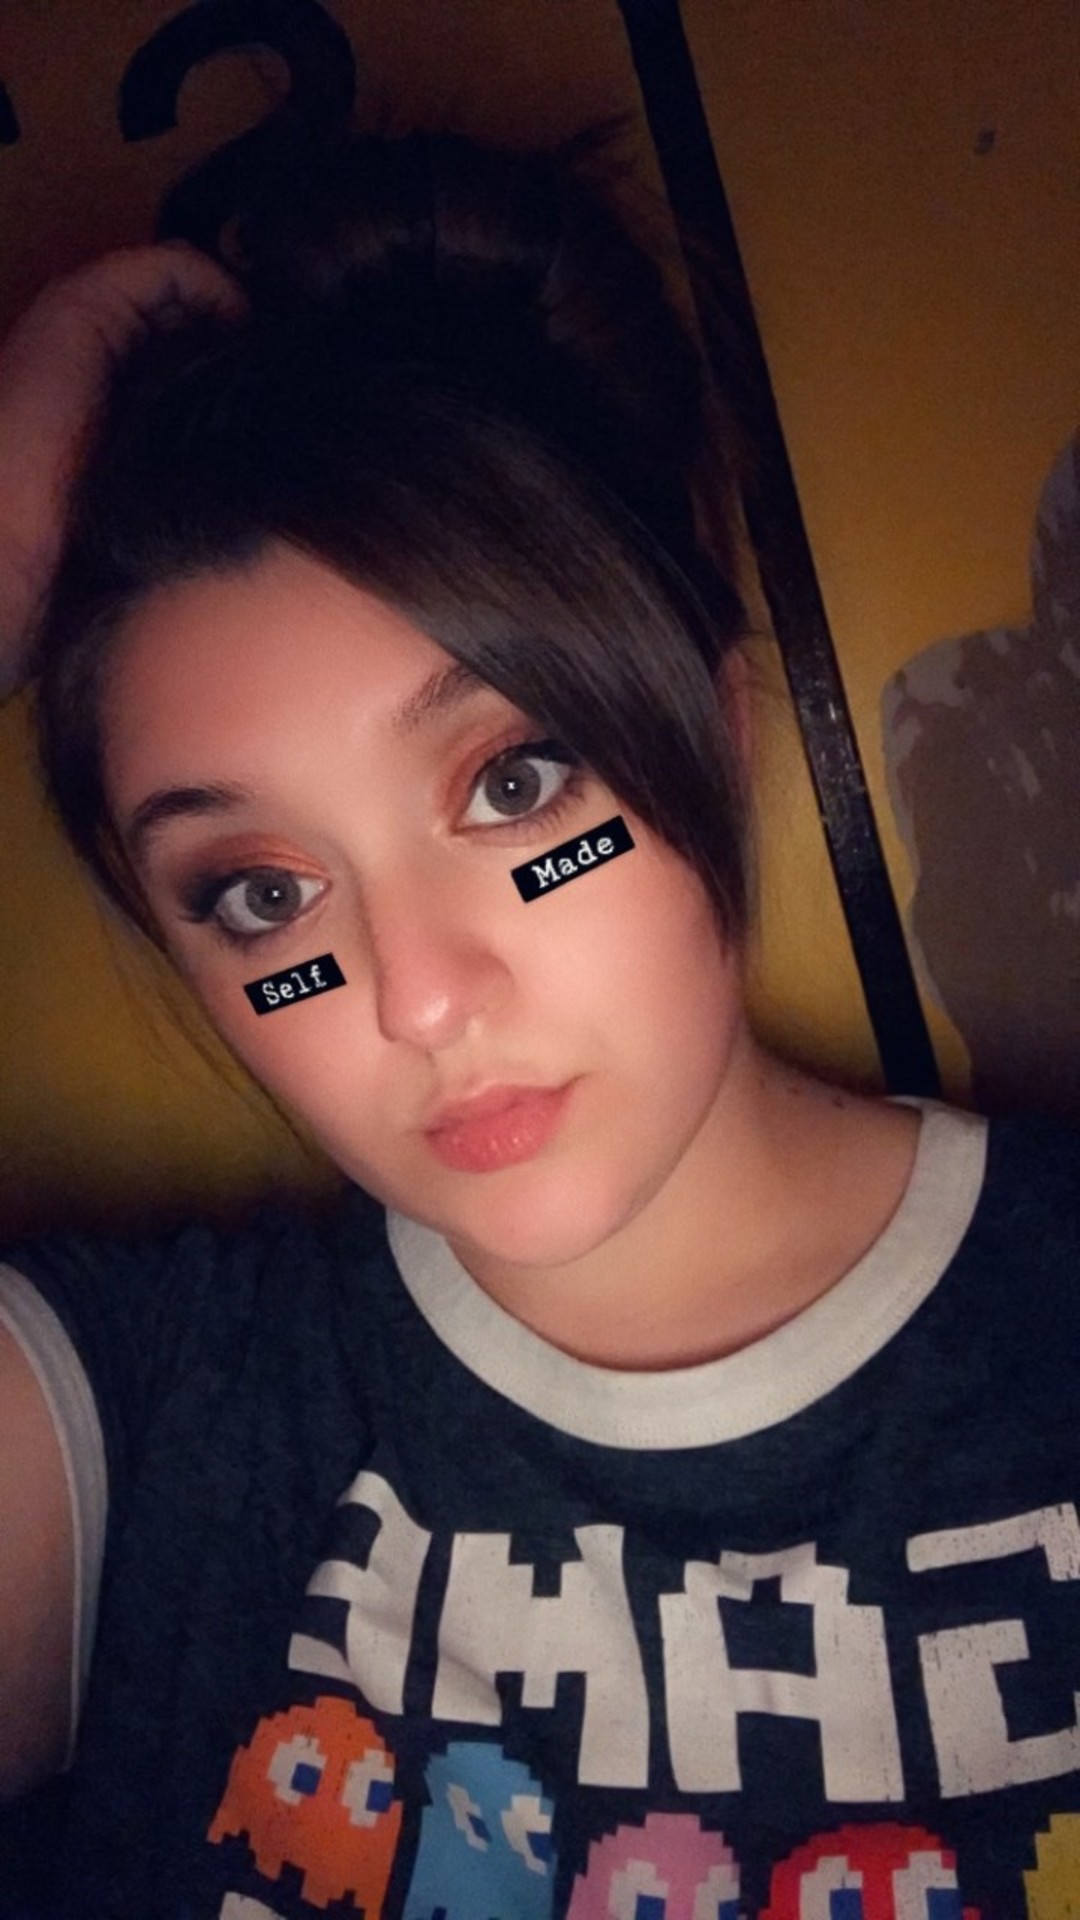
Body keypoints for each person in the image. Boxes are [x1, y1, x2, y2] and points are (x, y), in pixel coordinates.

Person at [0, 125, 1077, 1920]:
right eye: (260, 895)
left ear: (716, 730)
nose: (419, 994)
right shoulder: (140, 1439)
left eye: (514, 781)